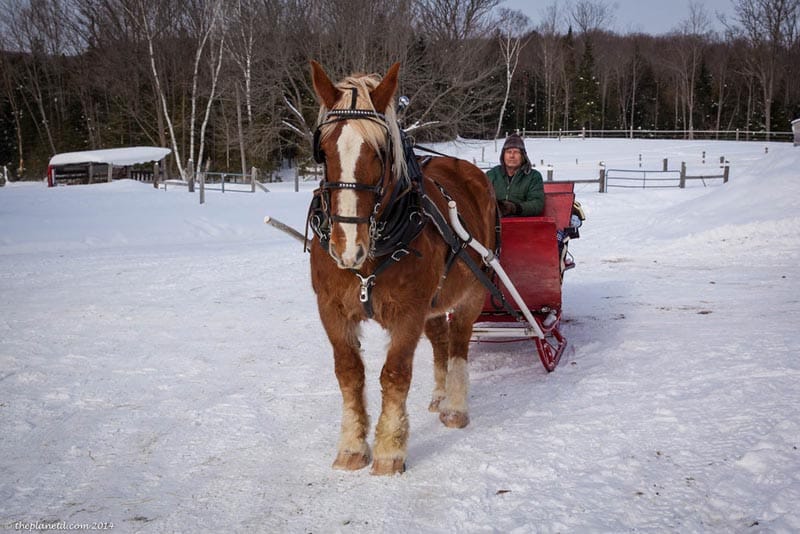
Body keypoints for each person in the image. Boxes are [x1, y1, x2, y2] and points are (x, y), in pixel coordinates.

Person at [486, 133, 544, 217]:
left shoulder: (533, 176)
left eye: (516, 152)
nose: (512, 156)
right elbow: (481, 198)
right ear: (503, 155)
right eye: (508, 152)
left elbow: (537, 204)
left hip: (523, 223)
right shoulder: (492, 174)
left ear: (523, 156)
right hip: (494, 223)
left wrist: (515, 208)